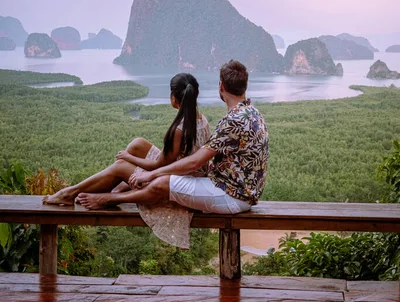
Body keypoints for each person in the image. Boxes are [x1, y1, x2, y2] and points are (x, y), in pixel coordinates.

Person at [75, 60, 269, 220]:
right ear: (245, 86)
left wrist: (152, 174)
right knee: (152, 167)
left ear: (221, 86)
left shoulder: (233, 120)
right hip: (239, 191)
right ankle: (107, 191)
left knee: (161, 183)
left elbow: (195, 161)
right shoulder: (253, 113)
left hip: (231, 196)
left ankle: (108, 199)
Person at [43, 73, 210, 248]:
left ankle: (70, 193)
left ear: (174, 98)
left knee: (120, 166)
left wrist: (128, 158)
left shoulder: (179, 129)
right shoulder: (201, 119)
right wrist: (132, 156)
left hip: (174, 181)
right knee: (137, 144)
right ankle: (114, 189)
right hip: (186, 173)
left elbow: (158, 165)